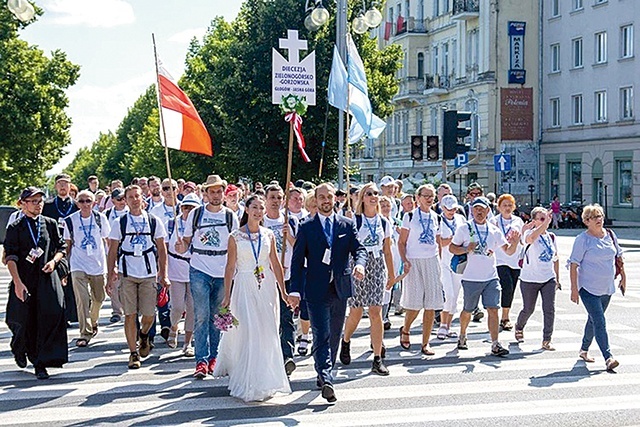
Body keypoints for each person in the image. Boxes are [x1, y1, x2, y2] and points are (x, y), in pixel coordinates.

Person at [289, 182, 367, 403]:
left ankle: (326, 373)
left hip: (340, 287)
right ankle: (325, 375)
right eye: (321, 197)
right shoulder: (306, 226)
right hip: (315, 288)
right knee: (321, 333)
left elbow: (359, 249)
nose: (325, 201)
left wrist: (359, 264)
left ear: (335, 199)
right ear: (315, 200)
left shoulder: (346, 224)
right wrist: (294, 290)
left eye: (329, 197)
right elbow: (296, 262)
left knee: (335, 333)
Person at [214, 195, 291, 401]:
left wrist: (283, 292)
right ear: (246, 209)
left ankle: (265, 379)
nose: (258, 211)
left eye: (261, 208)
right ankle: (247, 380)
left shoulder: (268, 235)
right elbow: (230, 267)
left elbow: (275, 264)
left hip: (265, 287)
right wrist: (227, 296)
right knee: (249, 332)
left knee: (267, 333)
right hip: (244, 286)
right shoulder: (235, 236)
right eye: (254, 207)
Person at [177, 174, 239, 378]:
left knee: (217, 316)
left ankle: (215, 358)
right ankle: (201, 361)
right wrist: (182, 246)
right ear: (205, 193)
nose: (216, 195)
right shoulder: (196, 214)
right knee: (201, 315)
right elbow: (186, 241)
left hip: (222, 271)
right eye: (212, 191)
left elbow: (236, 246)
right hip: (200, 269)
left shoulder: (230, 216)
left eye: (219, 191)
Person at [4, 187, 68, 379]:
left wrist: (54, 261)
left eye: (40, 201)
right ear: (22, 204)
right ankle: (19, 347)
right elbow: (11, 257)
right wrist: (17, 282)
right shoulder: (15, 228)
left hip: (47, 277)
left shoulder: (49, 223)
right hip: (25, 279)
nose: (37, 205)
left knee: (53, 313)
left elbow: (61, 247)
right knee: (24, 320)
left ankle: (41, 362)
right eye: (33, 201)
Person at [106, 185, 169, 369]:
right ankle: (133, 353)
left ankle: (143, 335)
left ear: (143, 198)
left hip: (148, 273)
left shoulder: (153, 221)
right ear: (126, 200)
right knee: (130, 314)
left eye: (137, 196)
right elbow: (112, 250)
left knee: (149, 314)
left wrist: (163, 275)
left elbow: (162, 249)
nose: (134, 200)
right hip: (127, 274)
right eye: (131, 197)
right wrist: (111, 275)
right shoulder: (120, 222)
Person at [449, 196, 520, 356]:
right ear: (471, 210)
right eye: (476, 209)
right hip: (471, 277)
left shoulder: (494, 230)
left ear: (488, 211)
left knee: (493, 309)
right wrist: (466, 248)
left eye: (482, 209)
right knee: (467, 310)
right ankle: (462, 335)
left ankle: (495, 343)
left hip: (490, 277)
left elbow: (508, 251)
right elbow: (452, 248)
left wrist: (515, 242)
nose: (479, 211)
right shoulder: (464, 228)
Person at [340, 183, 394, 375]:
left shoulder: (384, 222)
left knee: (376, 310)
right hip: (357, 264)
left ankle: (377, 357)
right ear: (362, 197)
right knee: (356, 311)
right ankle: (345, 341)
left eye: (376, 194)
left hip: (378, 265)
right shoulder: (354, 220)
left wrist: (392, 274)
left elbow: (387, 249)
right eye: (369, 194)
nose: (373, 197)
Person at [568, 204, 625, 371]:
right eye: (594, 217)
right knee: (599, 321)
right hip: (588, 288)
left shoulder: (610, 235)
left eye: (600, 215)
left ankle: (584, 350)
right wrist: (573, 289)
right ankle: (608, 357)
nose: (599, 219)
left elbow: (619, 257)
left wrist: (623, 278)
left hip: (607, 287)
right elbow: (573, 265)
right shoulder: (582, 240)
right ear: (586, 221)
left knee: (593, 320)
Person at [397, 184, 443, 355]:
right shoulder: (409, 216)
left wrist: (439, 261)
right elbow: (401, 242)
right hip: (414, 260)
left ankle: (425, 342)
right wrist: (404, 260)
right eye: (426, 196)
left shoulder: (436, 217)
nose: (429, 199)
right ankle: (406, 329)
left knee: (431, 304)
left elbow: (438, 241)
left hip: (431, 261)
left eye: (432, 196)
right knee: (415, 303)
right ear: (418, 198)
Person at [63, 190, 111, 347]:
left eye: (88, 201)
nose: (85, 204)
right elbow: (67, 246)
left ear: (94, 203)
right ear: (77, 203)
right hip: (78, 264)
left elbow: (109, 242)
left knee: (99, 298)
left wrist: (113, 265)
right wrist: (64, 269)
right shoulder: (69, 221)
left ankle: (93, 319)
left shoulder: (100, 218)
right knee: (82, 300)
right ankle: (85, 333)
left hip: (98, 264)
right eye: (81, 201)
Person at [262, 184, 299, 376]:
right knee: (269, 318)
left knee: (287, 316)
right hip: (267, 277)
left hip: (289, 276)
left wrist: (290, 237)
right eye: (272, 197)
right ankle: (270, 355)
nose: (276, 201)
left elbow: (301, 248)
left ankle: (287, 356)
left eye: (279, 198)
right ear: (266, 200)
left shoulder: (291, 220)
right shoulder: (260, 221)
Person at [514, 207, 559, 350]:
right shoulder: (528, 233)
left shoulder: (551, 237)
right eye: (541, 218)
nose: (545, 221)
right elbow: (531, 239)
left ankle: (547, 339)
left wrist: (557, 278)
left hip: (548, 278)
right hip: (530, 279)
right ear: (534, 221)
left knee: (549, 309)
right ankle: (519, 326)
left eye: (546, 218)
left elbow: (556, 258)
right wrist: (543, 225)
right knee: (528, 309)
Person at [42, 173, 79, 325]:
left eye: (66, 184)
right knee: (57, 282)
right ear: (56, 186)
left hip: (75, 248)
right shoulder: (49, 206)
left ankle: (72, 314)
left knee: (73, 282)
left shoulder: (77, 205)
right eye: (60, 184)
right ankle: (59, 314)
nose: (63, 187)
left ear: (70, 186)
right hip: (55, 249)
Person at [166, 194, 198, 356]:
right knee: (178, 306)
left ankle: (188, 342)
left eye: (192, 208)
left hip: (195, 269)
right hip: (175, 268)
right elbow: (164, 247)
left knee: (192, 308)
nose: (188, 211)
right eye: (186, 207)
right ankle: (173, 326)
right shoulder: (172, 223)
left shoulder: (199, 225)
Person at [490, 194, 524, 331]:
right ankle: (504, 318)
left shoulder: (518, 221)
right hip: (500, 259)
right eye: (504, 205)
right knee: (507, 286)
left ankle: (505, 313)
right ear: (499, 207)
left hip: (515, 259)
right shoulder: (494, 221)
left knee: (512, 288)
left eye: (510, 205)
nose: (507, 208)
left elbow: (523, 238)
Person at [436, 195, 466, 339]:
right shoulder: (437, 220)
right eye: (448, 209)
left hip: (458, 261)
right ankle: (442, 325)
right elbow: (439, 242)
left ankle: (448, 326)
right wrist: (452, 239)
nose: (451, 211)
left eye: (453, 208)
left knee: (455, 295)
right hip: (444, 262)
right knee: (448, 294)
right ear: (442, 208)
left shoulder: (461, 219)